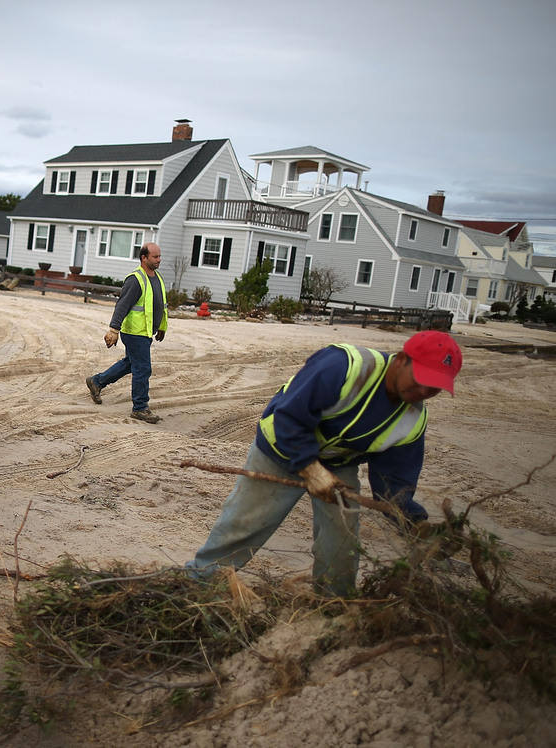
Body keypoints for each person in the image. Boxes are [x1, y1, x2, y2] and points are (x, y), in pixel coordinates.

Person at [185, 330, 462, 596]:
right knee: (245, 524)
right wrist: (309, 468)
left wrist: (415, 524)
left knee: (342, 541)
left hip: (337, 465)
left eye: (435, 387)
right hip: (281, 448)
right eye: (422, 377)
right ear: (401, 359)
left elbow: (393, 484)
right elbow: (288, 416)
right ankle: (199, 582)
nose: (424, 389)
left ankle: (332, 602)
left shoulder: (412, 421)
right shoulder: (344, 366)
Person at [85, 242, 167, 423]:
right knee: (143, 369)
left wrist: (162, 326)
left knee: (132, 364)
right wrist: (114, 330)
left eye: (160, 256)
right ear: (144, 258)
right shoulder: (136, 279)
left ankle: (97, 382)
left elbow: (160, 305)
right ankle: (140, 408)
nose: (159, 260)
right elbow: (122, 305)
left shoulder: (157, 277)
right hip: (135, 332)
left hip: (145, 332)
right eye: (155, 257)